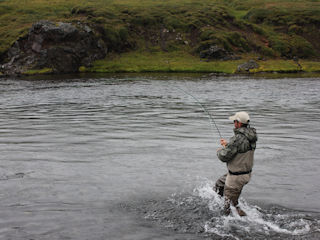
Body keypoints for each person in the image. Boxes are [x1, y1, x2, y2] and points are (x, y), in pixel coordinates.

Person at [215, 111, 257, 216]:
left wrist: (220, 151)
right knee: (219, 184)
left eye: (234, 121)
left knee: (229, 206)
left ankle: (234, 221)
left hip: (236, 177)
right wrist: (228, 145)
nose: (234, 123)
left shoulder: (237, 139)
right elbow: (240, 149)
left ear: (238, 123)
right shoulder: (251, 137)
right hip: (245, 174)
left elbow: (224, 157)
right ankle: (220, 206)